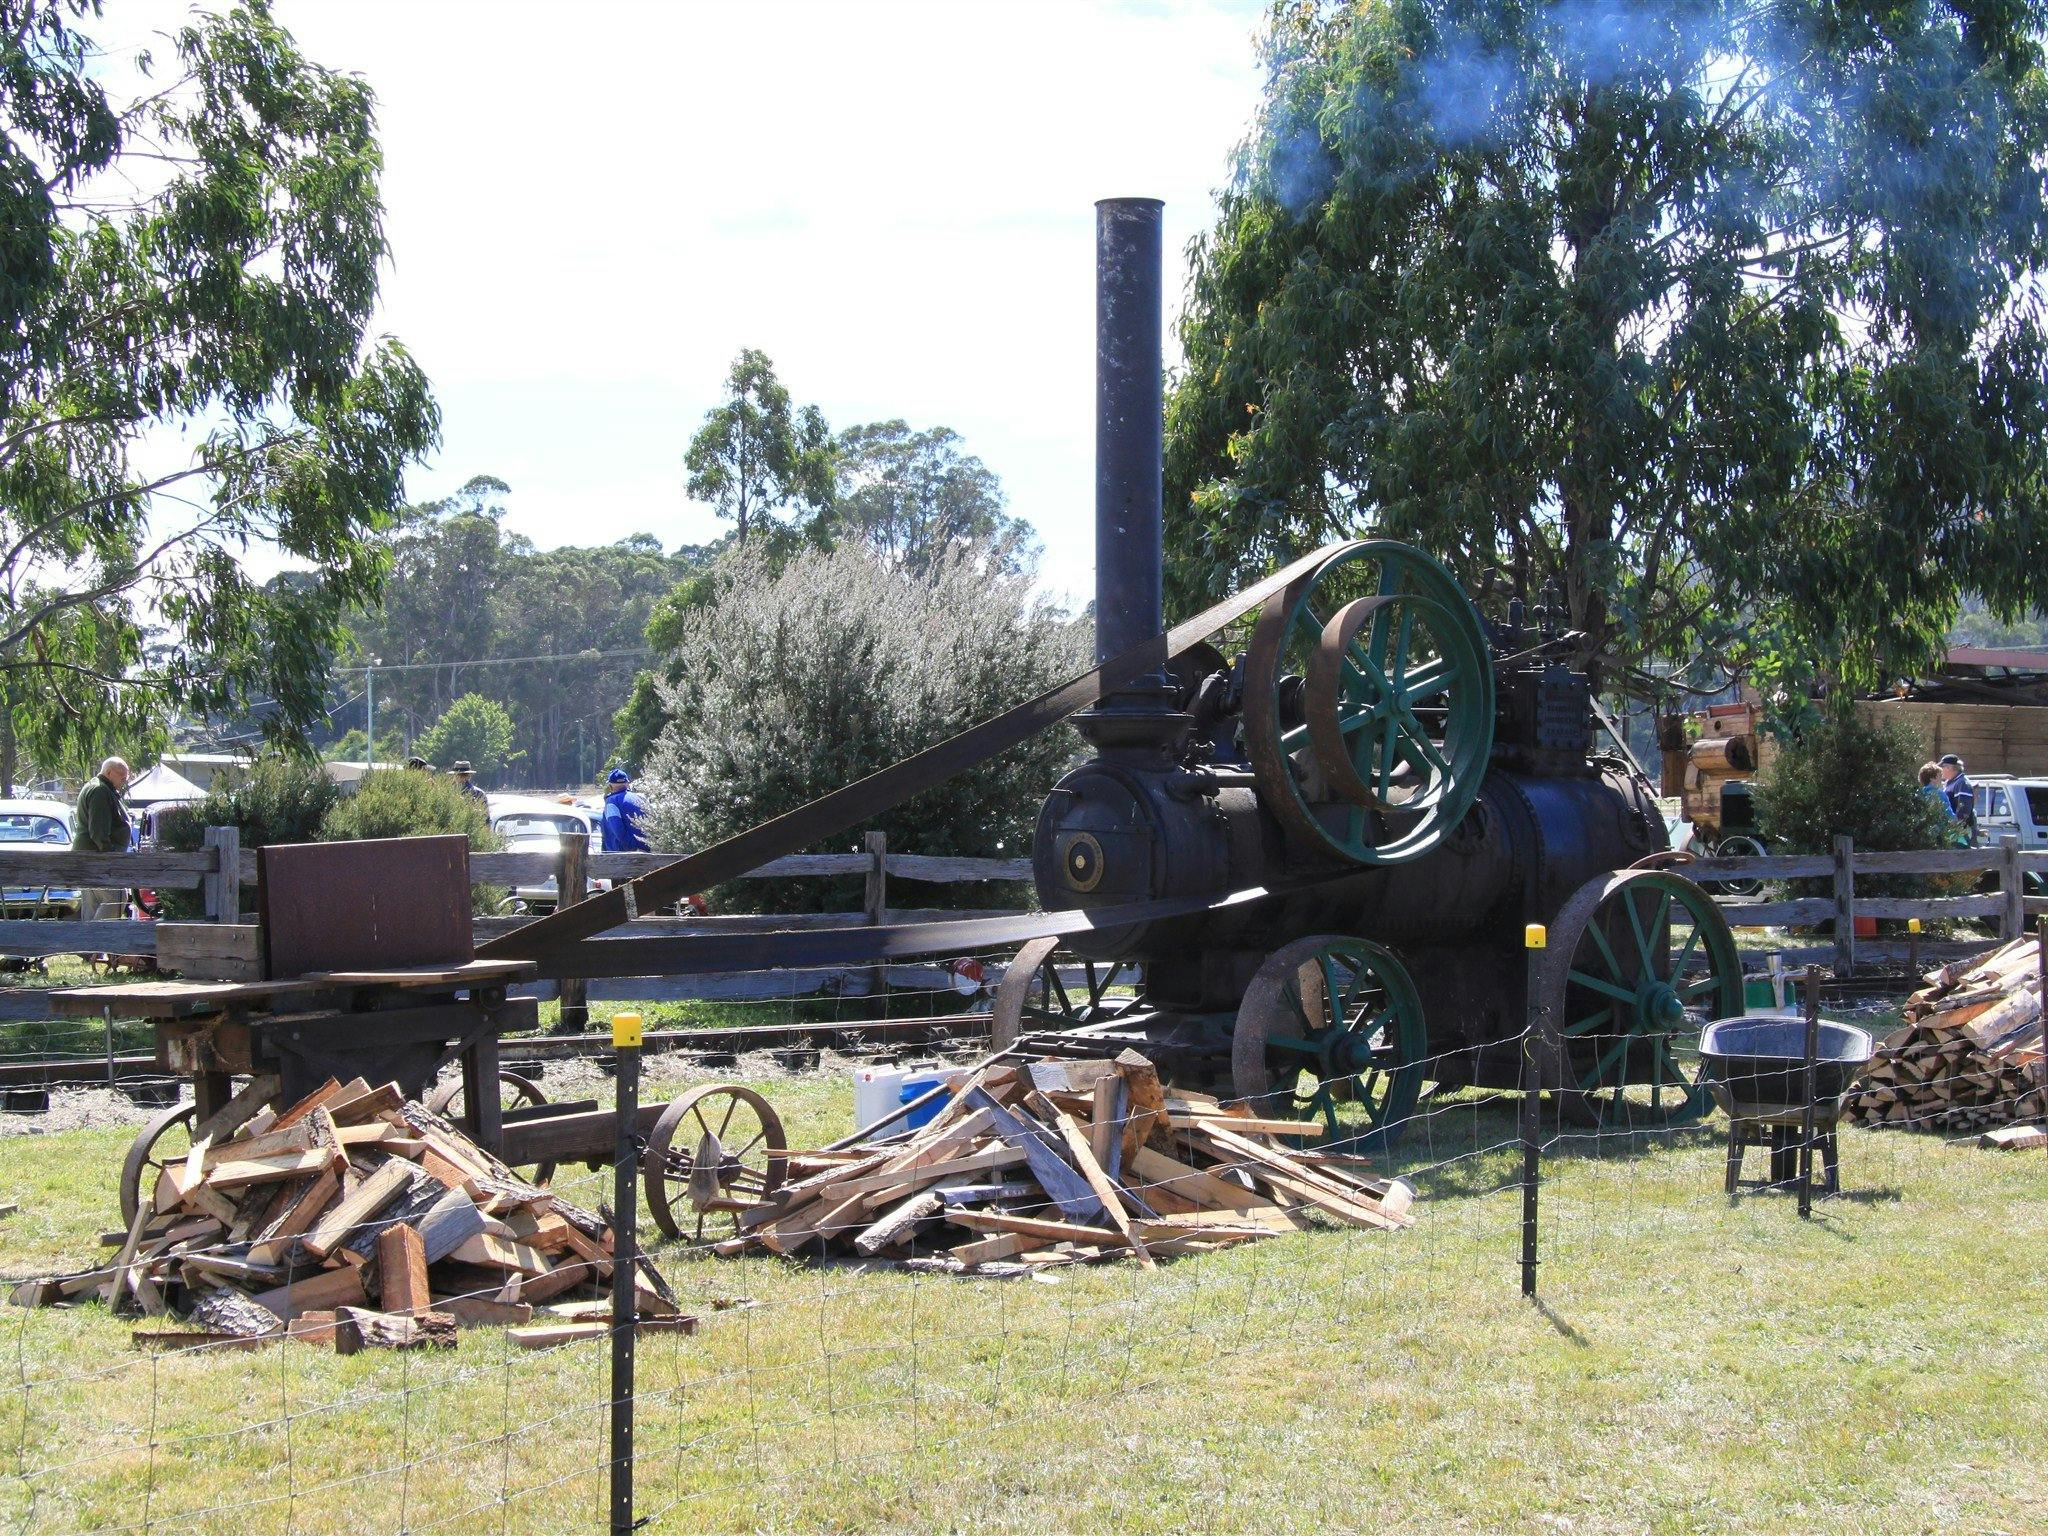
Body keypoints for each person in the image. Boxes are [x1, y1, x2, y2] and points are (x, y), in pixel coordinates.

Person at [71, 756, 131, 920]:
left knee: (93, 904)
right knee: (117, 897)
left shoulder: (96, 787)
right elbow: (98, 831)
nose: (124, 782)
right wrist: (109, 855)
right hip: (97, 859)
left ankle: (87, 943)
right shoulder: (100, 790)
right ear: (109, 772)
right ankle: (97, 938)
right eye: (122, 777)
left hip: (88, 857)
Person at [601, 767, 650, 853]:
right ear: (627, 783)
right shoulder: (639, 798)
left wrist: (634, 851)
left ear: (610, 786)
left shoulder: (612, 802)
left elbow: (618, 831)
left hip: (623, 857)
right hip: (647, 852)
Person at [1937, 754, 1976, 837]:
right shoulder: (1950, 782)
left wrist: (1957, 827)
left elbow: (1964, 809)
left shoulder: (1962, 783)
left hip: (1959, 832)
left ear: (1949, 768)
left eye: (1942, 767)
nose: (1940, 770)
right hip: (1950, 830)